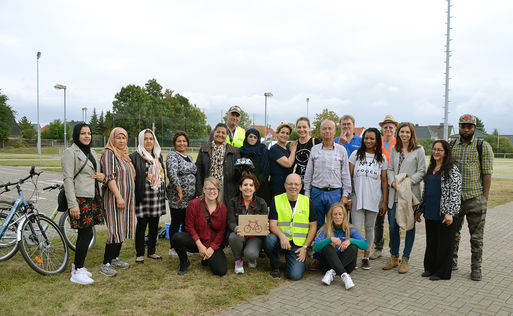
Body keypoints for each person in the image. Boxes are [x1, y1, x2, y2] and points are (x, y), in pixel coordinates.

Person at [451, 114, 493, 281]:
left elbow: (487, 173)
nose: (466, 129)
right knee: (453, 233)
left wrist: (485, 198)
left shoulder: (482, 146)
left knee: (476, 237)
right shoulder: (452, 144)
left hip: (475, 198)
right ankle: (451, 262)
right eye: (463, 126)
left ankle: (476, 267)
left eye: (469, 126)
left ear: (474, 128)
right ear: (459, 127)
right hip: (455, 198)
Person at [62, 123, 105, 284]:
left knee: (86, 233)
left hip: (92, 196)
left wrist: (101, 176)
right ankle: (76, 270)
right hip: (80, 198)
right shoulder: (70, 152)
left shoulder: (91, 151)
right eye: (83, 133)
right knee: (86, 233)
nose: (87, 136)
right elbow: (67, 179)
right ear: (76, 135)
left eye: (89, 133)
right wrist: (72, 204)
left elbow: (95, 172)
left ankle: (79, 267)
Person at [415, 140, 461, 280]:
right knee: (432, 242)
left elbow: (455, 193)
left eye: (439, 150)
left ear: (446, 152)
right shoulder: (432, 168)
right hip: (431, 211)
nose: (436, 152)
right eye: (434, 149)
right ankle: (430, 268)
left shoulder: (452, 169)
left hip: (445, 213)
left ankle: (442, 273)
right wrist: (420, 209)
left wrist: (450, 213)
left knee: (444, 244)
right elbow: (427, 191)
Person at [383, 122, 425, 274]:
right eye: (402, 132)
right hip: (394, 193)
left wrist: (406, 183)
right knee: (393, 226)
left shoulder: (419, 150)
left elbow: (421, 171)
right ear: (398, 133)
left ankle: (405, 259)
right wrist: (393, 182)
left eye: (407, 132)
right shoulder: (395, 150)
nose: (404, 134)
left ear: (412, 134)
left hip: (410, 194)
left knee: (409, 226)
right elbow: (390, 169)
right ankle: (394, 257)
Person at [264, 173, 317, 280]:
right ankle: (275, 266)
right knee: (269, 239)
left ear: (301, 186)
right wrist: (282, 236)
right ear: (285, 185)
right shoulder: (276, 200)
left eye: (296, 184)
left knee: (295, 276)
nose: (293, 187)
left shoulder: (307, 202)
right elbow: (272, 224)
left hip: (298, 245)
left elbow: (313, 227)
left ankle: (291, 261)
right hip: (281, 241)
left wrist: (305, 247)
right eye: (290, 184)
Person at [348, 128, 388, 270]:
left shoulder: (381, 158)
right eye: (366, 138)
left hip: (374, 198)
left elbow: (384, 181)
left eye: (372, 138)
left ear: (377, 140)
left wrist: (384, 201)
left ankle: (366, 256)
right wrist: (347, 196)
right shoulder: (355, 155)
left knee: (370, 228)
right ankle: (352, 258)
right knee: (356, 230)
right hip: (357, 197)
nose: (369, 141)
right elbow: (349, 177)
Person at [171, 177, 227, 276]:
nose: (211, 191)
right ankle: (184, 262)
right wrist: (200, 245)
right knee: (177, 237)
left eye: (214, 189)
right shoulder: (193, 204)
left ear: (218, 191)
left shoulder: (223, 208)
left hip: (213, 244)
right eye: (208, 188)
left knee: (220, 271)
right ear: (204, 190)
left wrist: (212, 248)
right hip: (197, 242)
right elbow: (189, 227)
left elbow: (222, 231)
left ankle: (207, 259)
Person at [100, 127, 136, 277]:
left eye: (124, 138)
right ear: (112, 139)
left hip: (127, 199)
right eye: (118, 138)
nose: (121, 141)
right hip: (115, 198)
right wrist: (119, 196)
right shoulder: (109, 153)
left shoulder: (124, 155)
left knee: (121, 228)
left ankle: (115, 258)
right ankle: (106, 263)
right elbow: (109, 177)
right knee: (114, 230)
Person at [303, 120, 352, 229]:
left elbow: (345, 174)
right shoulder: (314, 149)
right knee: (316, 223)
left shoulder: (341, 150)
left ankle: (333, 245)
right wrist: (307, 192)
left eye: (330, 128)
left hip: (334, 193)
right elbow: (309, 173)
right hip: (317, 192)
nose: (327, 131)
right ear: (320, 131)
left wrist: (345, 195)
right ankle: (317, 244)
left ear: (334, 131)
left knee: (335, 223)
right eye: (324, 129)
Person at [130, 129, 166, 264]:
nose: (149, 141)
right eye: (146, 139)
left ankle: (151, 251)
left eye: (151, 138)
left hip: (156, 196)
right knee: (141, 225)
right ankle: (140, 253)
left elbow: (162, 174)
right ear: (141, 140)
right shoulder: (135, 156)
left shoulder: (158, 156)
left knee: (154, 225)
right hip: (143, 197)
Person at [313, 203, 368, 289]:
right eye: (335, 214)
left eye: (340, 214)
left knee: (353, 247)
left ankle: (333, 272)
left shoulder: (350, 229)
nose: (338, 217)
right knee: (327, 247)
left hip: (347, 265)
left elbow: (365, 245)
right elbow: (315, 247)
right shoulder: (326, 229)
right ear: (331, 216)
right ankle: (344, 276)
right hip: (327, 266)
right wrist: (330, 239)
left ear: (344, 216)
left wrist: (350, 240)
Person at [227, 174, 268, 274]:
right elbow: (230, 222)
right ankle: (238, 260)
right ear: (240, 187)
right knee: (233, 237)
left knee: (251, 254)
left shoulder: (261, 202)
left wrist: (266, 226)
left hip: (255, 236)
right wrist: (237, 229)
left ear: (255, 188)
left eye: (251, 185)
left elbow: (265, 222)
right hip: (240, 234)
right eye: (245, 185)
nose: (248, 188)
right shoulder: (233, 202)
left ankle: (251, 257)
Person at [371, 114, 399, 260]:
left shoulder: (399, 143)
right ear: (382, 129)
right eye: (385, 127)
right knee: (378, 220)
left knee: (394, 220)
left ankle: (394, 251)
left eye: (391, 127)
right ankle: (378, 247)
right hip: (379, 186)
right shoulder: (377, 142)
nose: (388, 130)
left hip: (393, 186)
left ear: (395, 129)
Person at [166, 131, 197, 257]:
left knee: (186, 223)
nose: (182, 143)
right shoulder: (172, 155)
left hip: (189, 199)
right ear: (175, 143)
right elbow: (172, 174)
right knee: (176, 222)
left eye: (184, 141)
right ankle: (173, 248)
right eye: (179, 141)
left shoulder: (189, 157)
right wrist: (179, 191)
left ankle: (184, 246)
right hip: (178, 197)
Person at [196, 123, 240, 204]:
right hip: (208, 187)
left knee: (223, 212)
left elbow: (237, 173)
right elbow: (198, 171)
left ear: (226, 135)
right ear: (214, 133)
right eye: (218, 132)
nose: (220, 134)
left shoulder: (234, 151)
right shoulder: (204, 149)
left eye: (223, 133)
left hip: (226, 189)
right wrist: (199, 191)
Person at [239, 128, 270, 203]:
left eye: (255, 137)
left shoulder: (263, 150)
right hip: (246, 187)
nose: (252, 139)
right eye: (250, 136)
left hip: (261, 186)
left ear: (258, 139)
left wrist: (256, 182)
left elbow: (267, 169)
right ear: (246, 138)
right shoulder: (241, 151)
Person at [269, 123, 297, 198]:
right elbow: (288, 164)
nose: (285, 135)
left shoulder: (288, 149)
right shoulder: (274, 149)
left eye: (287, 133)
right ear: (277, 134)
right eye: (282, 132)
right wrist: (293, 151)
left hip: (288, 185)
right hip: (277, 187)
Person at [293, 117, 321, 194]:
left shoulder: (316, 142)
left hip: (313, 184)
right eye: (299, 127)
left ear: (309, 128)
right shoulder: (294, 144)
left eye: (304, 127)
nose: (301, 129)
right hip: (298, 185)